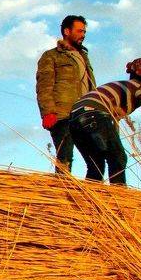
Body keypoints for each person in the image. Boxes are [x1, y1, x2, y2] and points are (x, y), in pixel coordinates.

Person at [69, 58, 141, 186]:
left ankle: (90, 198)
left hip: (74, 118)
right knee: (118, 158)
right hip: (94, 114)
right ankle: (119, 196)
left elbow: (111, 122)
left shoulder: (121, 87)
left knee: (96, 164)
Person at [35, 15, 95, 174]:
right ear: (67, 31)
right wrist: (48, 112)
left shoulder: (84, 57)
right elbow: (44, 85)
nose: (83, 34)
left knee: (97, 155)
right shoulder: (51, 56)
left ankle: (93, 195)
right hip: (63, 115)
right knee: (65, 155)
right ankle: (62, 189)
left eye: (84, 31)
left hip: (87, 113)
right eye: (80, 31)